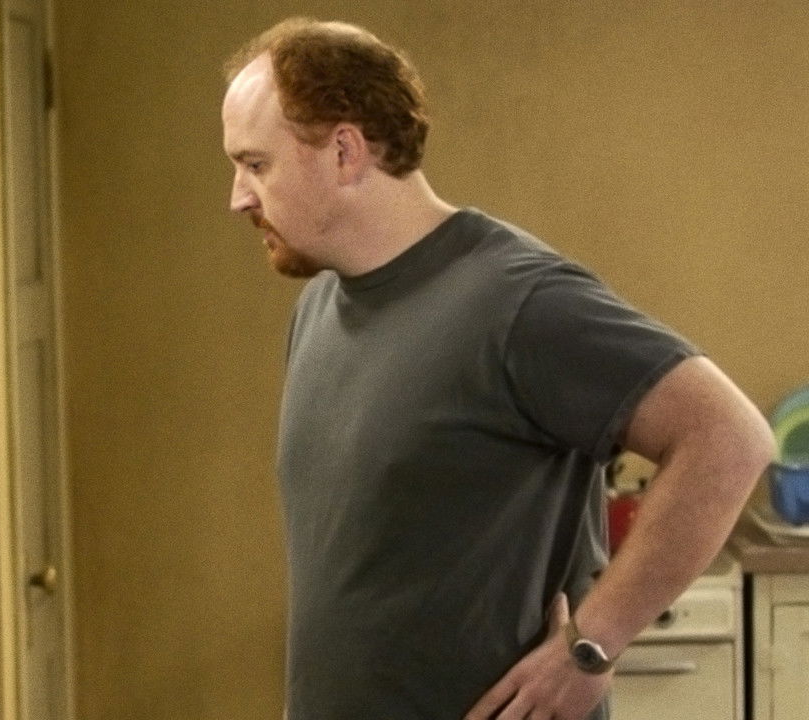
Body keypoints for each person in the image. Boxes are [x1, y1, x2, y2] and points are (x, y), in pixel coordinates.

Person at [221, 18, 774, 720]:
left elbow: (730, 438)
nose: (238, 197)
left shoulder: (519, 301)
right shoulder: (319, 306)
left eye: (256, 164)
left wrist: (590, 647)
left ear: (345, 151)